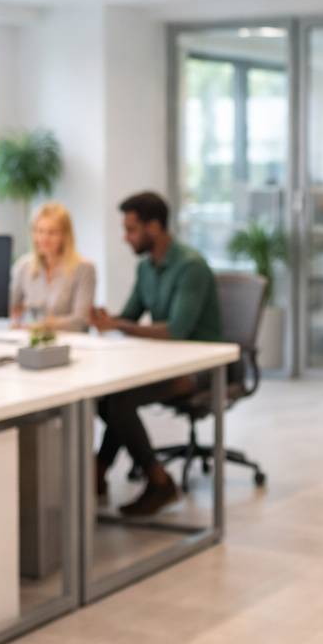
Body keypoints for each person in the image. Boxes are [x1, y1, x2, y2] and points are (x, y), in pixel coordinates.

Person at [90, 191, 223, 518]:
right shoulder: (146, 269)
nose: (125, 237)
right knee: (105, 396)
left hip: (203, 367)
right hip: (165, 362)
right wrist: (108, 320)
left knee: (120, 401)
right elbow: (129, 317)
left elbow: (176, 331)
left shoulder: (190, 267)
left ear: (153, 227)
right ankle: (99, 470)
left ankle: (159, 481)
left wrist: (120, 325)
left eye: (131, 229)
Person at [9, 202, 96, 332]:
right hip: (30, 338)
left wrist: (42, 325)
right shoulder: (23, 266)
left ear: (65, 235)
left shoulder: (84, 268)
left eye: (52, 232)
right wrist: (16, 319)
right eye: (39, 231)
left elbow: (81, 320)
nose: (44, 238)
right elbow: (12, 309)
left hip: (70, 339)